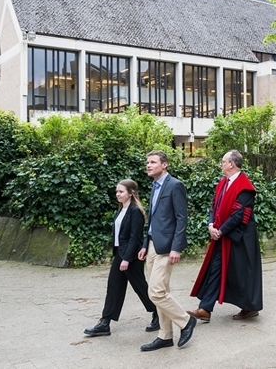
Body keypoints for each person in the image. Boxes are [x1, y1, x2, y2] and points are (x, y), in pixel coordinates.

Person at [189, 150, 263, 320]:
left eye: (223, 161)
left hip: (241, 238)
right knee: (216, 269)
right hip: (222, 236)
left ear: (232, 164)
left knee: (242, 273)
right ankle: (205, 308)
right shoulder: (222, 183)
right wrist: (210, 225)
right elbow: (213, 207)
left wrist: (221, 230)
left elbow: (240, 214)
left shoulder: (245, 187)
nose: (221, 164)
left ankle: (250, 307)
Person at [84, 179, 158, 337]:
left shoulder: (135, 211)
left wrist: (127, 259)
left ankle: (158, 314)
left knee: (140, 287)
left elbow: (134, 237)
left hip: (131, 256)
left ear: (130, 193)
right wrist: (120, 256)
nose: (117, 194)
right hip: (120, 253)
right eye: (117, 192)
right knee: (114, 287)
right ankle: (105, 323)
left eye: (121, 191)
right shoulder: (121, 210)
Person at [137, 150, 196, 352]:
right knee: (162, 290)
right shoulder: (154, 186)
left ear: (165, 165)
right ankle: (165, 336)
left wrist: (176, 247)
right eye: (147, 162)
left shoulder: (175, 185)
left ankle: (186, 321)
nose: (148, 165)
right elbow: (153, 219)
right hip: (153, 245)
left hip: (167, 247)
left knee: (156, 292)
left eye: (153, 162)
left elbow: (181, 218)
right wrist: (145, 244)